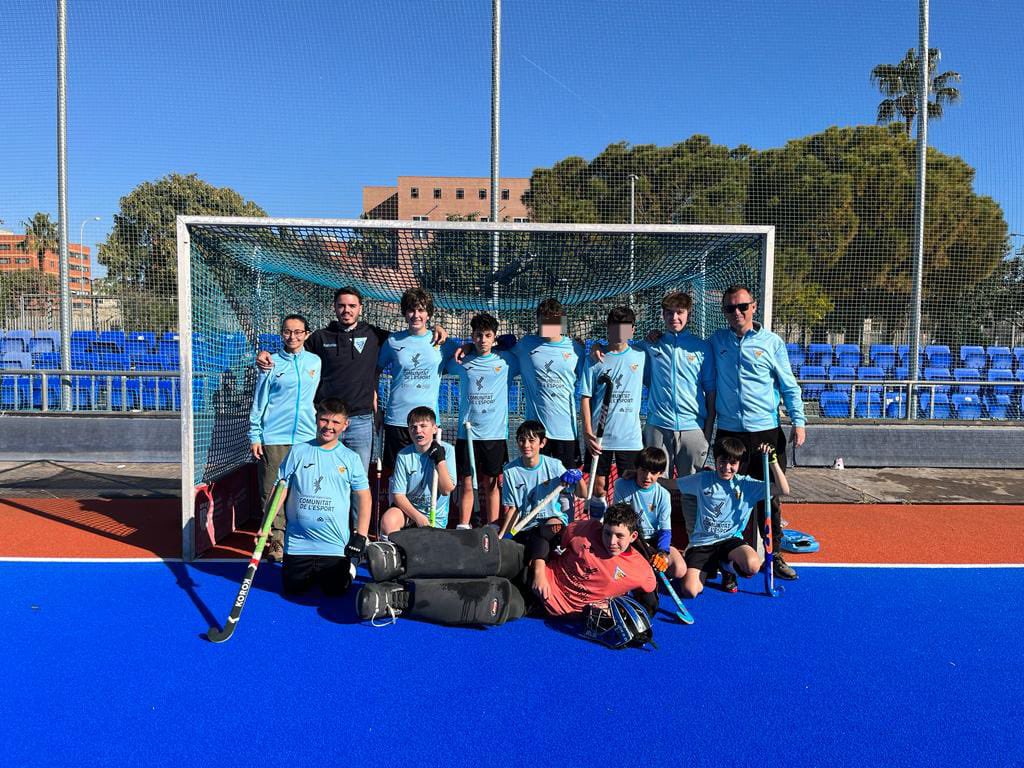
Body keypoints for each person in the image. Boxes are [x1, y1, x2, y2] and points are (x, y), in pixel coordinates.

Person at [356, 503, 658, 643]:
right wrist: (539, 568)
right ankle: (400, 558)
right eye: (607, 533)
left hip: (536, 604)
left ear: (633, 537)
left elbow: (649, 604)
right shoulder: (585, 528)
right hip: (528, 564)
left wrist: (617, 611)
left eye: (619, 536)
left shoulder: (640, 570)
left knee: (486, 604)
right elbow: (543, 534)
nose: (611, 541)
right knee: (485, 550)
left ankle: (398, 597)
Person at [254, 286, 447, 472]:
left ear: (360, 308)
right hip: (328, 420)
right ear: (335, 307)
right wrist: (266, 354)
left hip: (361, 421)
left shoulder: (376, 335)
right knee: (323, 475)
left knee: (358, 478)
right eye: (342, 305)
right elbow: (293, 347)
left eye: (352, 306)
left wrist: (437, 328)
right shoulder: (320, 337)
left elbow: (413, 334)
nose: (347, 310)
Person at [710, 284, 805, 583]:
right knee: (729, 498)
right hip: (729, 432)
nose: (736, 312)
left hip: (765, 432)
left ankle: (774, 556)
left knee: (768, 498)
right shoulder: (716, 341)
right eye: (730, 308)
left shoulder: (771, 342)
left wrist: (799, 421)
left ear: (754, 307)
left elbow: (788, 385)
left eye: (742, 306)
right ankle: (729, 560)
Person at [274, 398, 372, 597]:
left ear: (346, 425)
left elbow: (364, 497)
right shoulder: (297, 452)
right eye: (324, 420)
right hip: (298, 545)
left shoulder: (350, 458)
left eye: (336, 422)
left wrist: (361, 536)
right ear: (316, 419)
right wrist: (264, 525)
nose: (329, 426)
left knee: (335, 592)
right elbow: (280, 489)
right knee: (293, 590)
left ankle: (351, 565)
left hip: (334, 547)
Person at [675, 438, 790, 598]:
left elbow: (783, 490)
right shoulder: (703, 479)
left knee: (752, 565)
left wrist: (773, 462)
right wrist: (648, 477)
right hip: (702, 544)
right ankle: (709, 567)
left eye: (733, 463)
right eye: (722, 461)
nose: (727, 467)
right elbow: (671, 484)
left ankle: (727, 567)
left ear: (739, 464)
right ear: (715, 460)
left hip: (730, 541)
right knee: (690, 591)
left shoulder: (746, 485)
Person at [248, 314, 321, 562]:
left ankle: (301, 537)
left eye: (298, 332)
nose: (293, 336)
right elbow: (259, 401)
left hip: (306, 438)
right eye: (288, 331)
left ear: (306, 334)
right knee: (273, 490)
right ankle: (276, 539)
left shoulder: (315, 361)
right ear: (281, 334)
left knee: (304, 490)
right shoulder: (271, 363)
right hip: (274, 437)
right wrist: (255, 434)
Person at [444, 312, 519, 527]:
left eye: (487, 335)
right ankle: (464, 525)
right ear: (472, 336)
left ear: (494, 336)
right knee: (467, 482)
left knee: (492, 483)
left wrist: (503, 342)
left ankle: (493, 525)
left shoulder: (507, 360)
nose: (482, 340)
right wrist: (465, 347)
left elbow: (515, 342)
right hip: (466, 433)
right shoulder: (462, 361)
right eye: (478, 335)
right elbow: (446, 357)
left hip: (494, 433)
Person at [504, 298, 586, 470]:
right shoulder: (525, 345)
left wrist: (596, 347)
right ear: (538, 321)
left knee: (567, 481)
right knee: (536, 479)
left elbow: (591, 381)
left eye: (554, 321)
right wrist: (468, 348)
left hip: (566, 431)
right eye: (545, 321)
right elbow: (494, 351)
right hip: (536, 433)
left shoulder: (575, 349)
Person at [377, 287, 454, 468]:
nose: (416, 315)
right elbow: (374, 372)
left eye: (421, 310)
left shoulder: (443, 343)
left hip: (427, 422)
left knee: (427, 475)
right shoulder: (393, 341)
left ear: (428, 314)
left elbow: (469, 352)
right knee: (396, 475)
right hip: (397, 419)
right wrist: (376, 409)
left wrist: (441, 330)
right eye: (411, 310)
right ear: (405, 313)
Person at [580, 306, 645, 508]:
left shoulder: (641, 355)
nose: (619, 333)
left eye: (624, 328)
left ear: (632, 330)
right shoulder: (594, 359)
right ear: (608, 328)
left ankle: (625, 526)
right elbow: (585, 397)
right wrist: (587, 432)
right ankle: (598, 524)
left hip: (629, 438)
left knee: (628, 488)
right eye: (615, 327)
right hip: (600, 437)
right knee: (598, 488)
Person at [499, 420, 587, 543]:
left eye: (531, 440)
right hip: (526, 525)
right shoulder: (510, 471)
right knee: (526, 544)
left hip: (550, 521)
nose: (526, 445)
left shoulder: (555, 466)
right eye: (522, 440)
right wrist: (502, 537)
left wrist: (579, 477)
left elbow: (583, 494)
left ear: (542, 443)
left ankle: (556, 545)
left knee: (550, 529)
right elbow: (513, 509)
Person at [611, 447, 685, 580]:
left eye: (653, 472)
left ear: (660, 473)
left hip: (654, 539)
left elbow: (665, 530)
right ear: (636, 469)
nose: (647, 477)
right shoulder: (621, 485)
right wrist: (640, 544)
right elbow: (619, 521)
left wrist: (662, 553)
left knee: (679, 570)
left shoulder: (664, 495)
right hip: (630, 537)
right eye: (643, 470)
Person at [380, 406, 456, 535]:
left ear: (434, 429)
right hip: (410, 512)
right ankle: (393, 547)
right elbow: (398, 495)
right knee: (389, 521)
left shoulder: (447, 450)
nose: (418, 431)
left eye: (423, 426)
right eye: (413, 427)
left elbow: (446, 490)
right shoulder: (403, 455)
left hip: (435, 517)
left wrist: (440, 460)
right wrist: (418, 517)